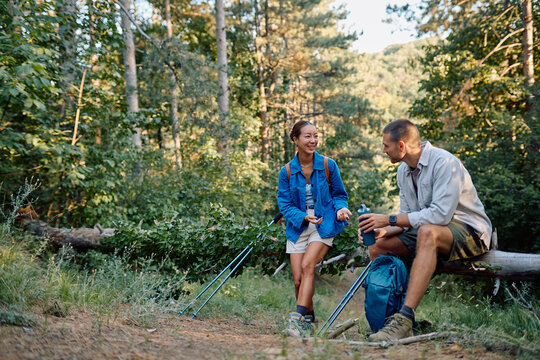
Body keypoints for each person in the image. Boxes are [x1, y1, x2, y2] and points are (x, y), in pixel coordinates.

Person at [358, 119, 492, 341]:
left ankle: (404, 319)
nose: (383, 150)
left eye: (385, 145)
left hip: (471, 231)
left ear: (401, 146)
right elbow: (409, 215)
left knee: (428, 232)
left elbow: (440, 215)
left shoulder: (445, 163)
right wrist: (384, 230)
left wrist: (388, 219)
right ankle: (389, 319)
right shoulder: (403, 171)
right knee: (380, 246)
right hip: (431, 230)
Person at [277, 120, 352, 337]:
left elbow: (340, 195)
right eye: (307, 136)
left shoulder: (329, 165)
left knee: (308, 265)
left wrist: (340, 210)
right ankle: (310, 320)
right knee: (298, 279)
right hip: (298, 226)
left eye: (316, 136)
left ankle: (296, 320)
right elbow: (285, 204)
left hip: (324, 224)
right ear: (295, 140)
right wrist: (303, 217)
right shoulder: (287, 171)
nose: (313, 140)